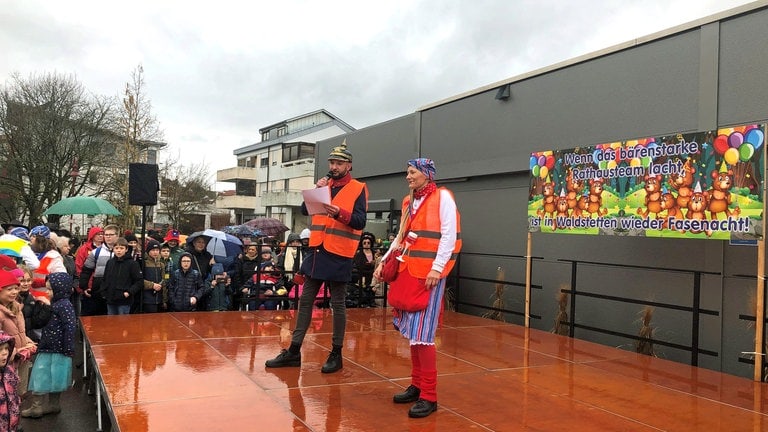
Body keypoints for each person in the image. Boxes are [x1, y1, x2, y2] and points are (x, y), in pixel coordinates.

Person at [265, 141, 368, 374]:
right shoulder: (324, 184)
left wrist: (340, 213)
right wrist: (316, 189)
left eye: (339, 163)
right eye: (332, 162)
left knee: (338, 304)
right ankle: (293, 351)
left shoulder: (358, 188)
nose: (334, 166)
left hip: (340, 253)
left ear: (348, 165)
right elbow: (304, 209)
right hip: (317, 250)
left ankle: (336, 353)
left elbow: (360, 221)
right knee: (305, 300)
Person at [373, 158, 461, 418]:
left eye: (412, 172)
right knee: (414, 334)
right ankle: (417, 384)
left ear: (426, 174)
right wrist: (383, 261)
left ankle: (430, 396)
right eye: (407, 173)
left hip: (429, 276)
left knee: (423, 334)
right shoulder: (408, 201)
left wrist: (438, 267)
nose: (408, 177)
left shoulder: (443, 197)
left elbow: (450, 234)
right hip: (408, 272)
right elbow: (401, 236)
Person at [23, 272, 76, 419]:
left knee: (40, 375)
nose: (47, 292)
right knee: (54, 376)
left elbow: (70, 327)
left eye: (51, 289)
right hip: (53, 347)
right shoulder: (60, 303)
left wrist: (68, 348)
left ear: (60, 290)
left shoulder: (63, 305)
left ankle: (37, 407)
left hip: (55, 348)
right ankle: (52, 405)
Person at [0, 269, 36, 399]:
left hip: (21, 358)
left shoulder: (16, 307)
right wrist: (14, 351)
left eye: (16, 288)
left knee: (19, 395)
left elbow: (18, 331)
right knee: (7, 397)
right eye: (9, 289)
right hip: (7, 361)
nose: (14, 292)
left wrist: (26, 340)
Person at [79, 224, 118, 316]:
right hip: (98, 289)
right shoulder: (96, 252)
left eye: (111, 235)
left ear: (117, 236)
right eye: (106, 234)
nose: (108, 237)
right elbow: (86, 271)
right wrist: (84, 287)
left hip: (116, 290)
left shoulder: (122, 252)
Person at [101, 238, 143, 315]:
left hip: (124, 300)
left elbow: (139, 281)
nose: (119, 250)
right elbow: (105, 278)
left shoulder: (132, 264)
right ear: (113, 249)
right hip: (111, 299)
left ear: (126, 249)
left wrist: (129, 292)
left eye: (121, 248)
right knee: (111, 322)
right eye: (116, 248)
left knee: (123, 323)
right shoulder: (110, 262)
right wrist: (104, 291)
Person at [0, 331, 21, 431]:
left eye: (6, 349)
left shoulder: (9, 372)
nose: (5, 352)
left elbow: (14, 394)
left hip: (11, 424)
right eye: (0, 350)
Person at [352, 232, 377, 307]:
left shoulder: (375, 253)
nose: (366, 244)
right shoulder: (359, 254)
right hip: (362, 277)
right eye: (365, 243)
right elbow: (358, 264)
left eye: (368, 243)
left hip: (372, 277)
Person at [142, 240, 167, 313]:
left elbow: (164, 282)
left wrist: (164, 300)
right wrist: (152, 285)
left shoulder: (161, 264)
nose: (155, 252)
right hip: (147, 300)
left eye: (157, 250)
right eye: (153, 250)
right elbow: (139, 280)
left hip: (159, 299)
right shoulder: (143, 263)